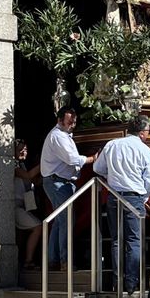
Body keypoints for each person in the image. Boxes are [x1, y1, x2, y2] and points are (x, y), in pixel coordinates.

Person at [94, 116, 150, 292]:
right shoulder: (145, 150)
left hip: (114, 196)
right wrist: (144, 197)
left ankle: (117, 281)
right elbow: (149, 181)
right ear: (143, 133)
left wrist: (112, 175)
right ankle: (130, 282)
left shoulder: (112, 144)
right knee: (134, 241)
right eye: (148, 132)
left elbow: (97, 168)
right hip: (134, 196)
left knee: (116, 240)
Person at [40, 106, 90, 269]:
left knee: (60, 222)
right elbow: (71, 159)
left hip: (61, 181)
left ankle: (54, 259)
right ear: (59, 120)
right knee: (66, 221)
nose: (72, 125)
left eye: (74, 122)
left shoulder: (64, 135)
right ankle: (64, 261)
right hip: (58, 182)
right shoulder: (58, 136)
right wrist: (90, 159)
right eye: (69, 122)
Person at [13, 140, 43, 269]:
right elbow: (28, 175)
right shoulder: (13, 165)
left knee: (21, 235)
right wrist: (44, 163)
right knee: (38, 227)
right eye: (20, 149)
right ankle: (28, 260)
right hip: (15, 206)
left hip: (25, 205)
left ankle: (20, 261)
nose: (23, 152)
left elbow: (35, 181)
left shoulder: (23, 164)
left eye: (25, 149)